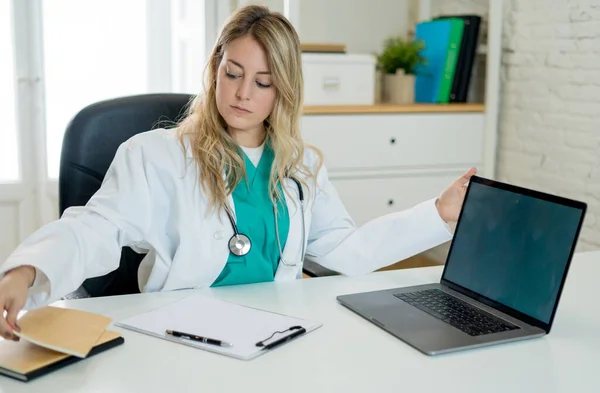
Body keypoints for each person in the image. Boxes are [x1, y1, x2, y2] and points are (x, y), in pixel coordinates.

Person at [0, 5, 476, 341]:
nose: (243, 93)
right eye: (233, 73)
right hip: (178, 336)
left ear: (283, 91)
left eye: (263, 82)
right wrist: (26, 270)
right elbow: (93, 228)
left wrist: (437, 213)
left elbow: (343, 252)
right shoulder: (157, 157)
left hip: (276, 335)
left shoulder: (301, 167)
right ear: (214, 69)